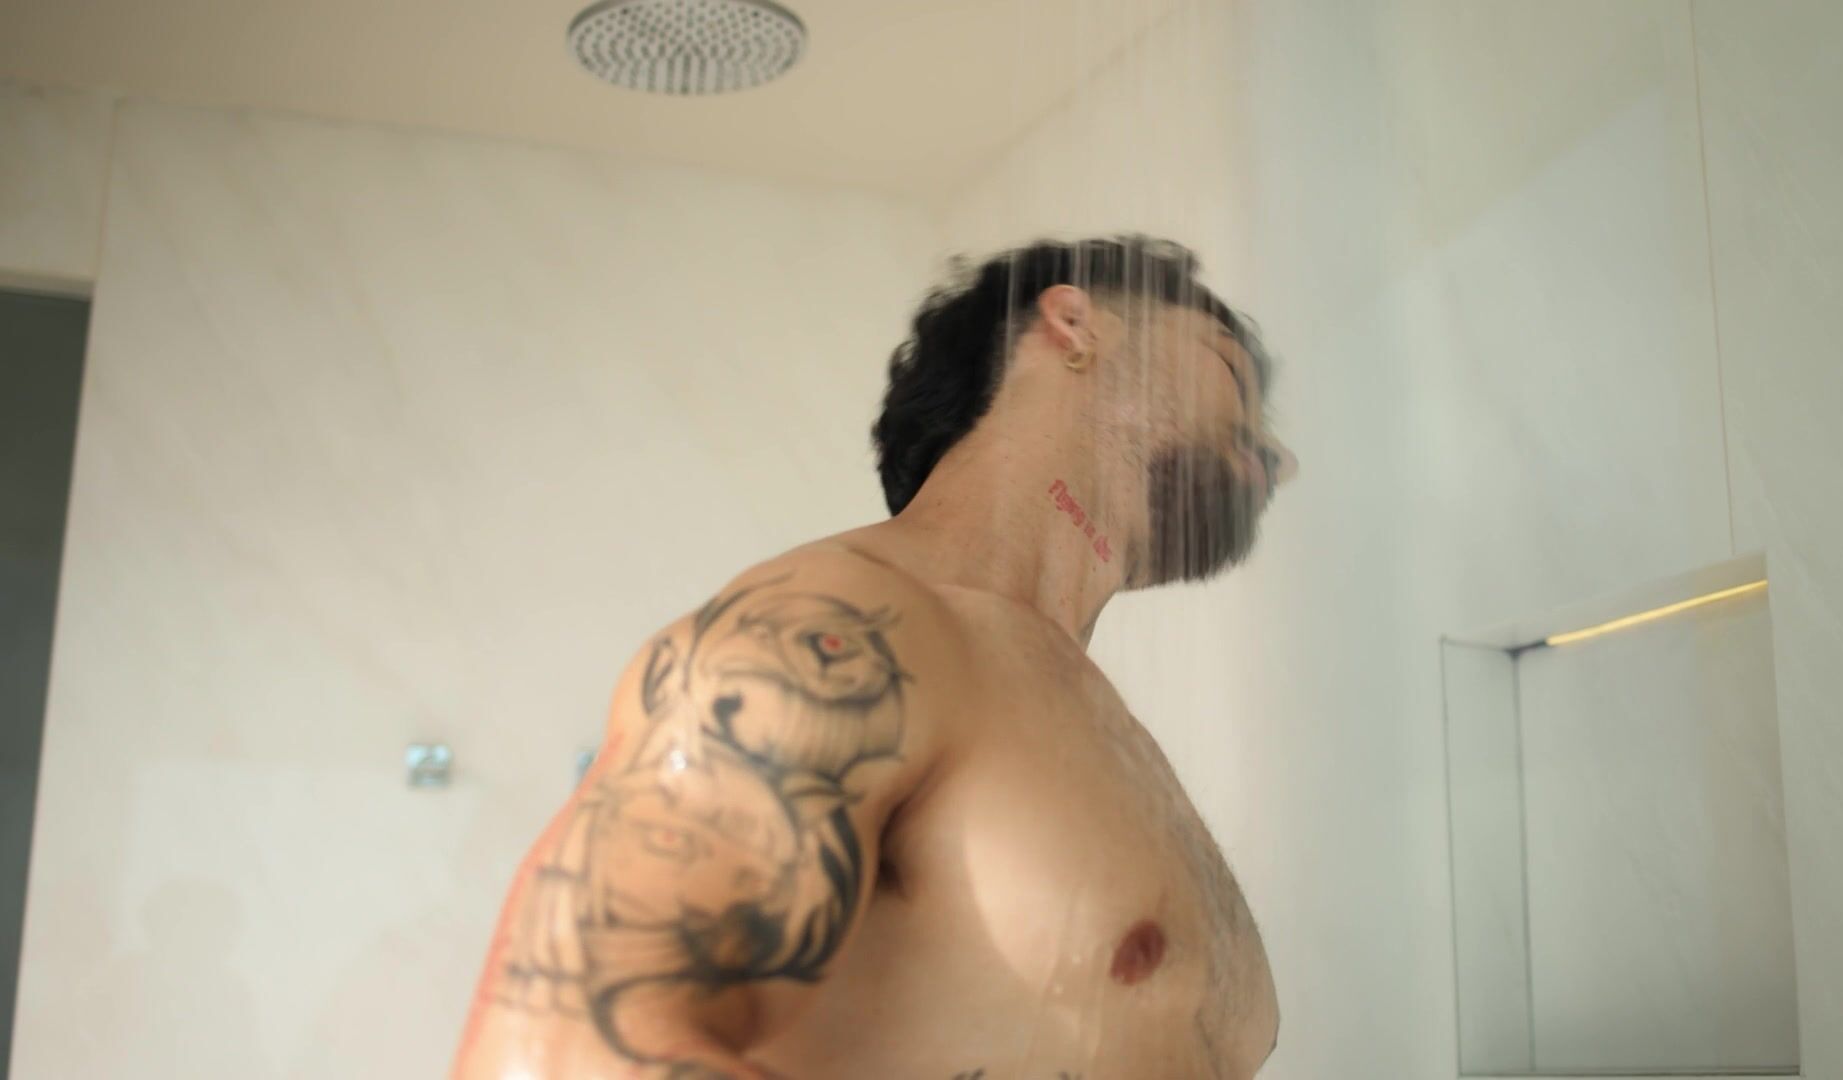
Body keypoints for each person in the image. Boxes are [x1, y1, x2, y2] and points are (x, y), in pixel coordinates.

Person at [453, 236, 1295, 1079]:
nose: (1278, 457)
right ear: (1073, 324)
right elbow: (563, 1052)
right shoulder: (836, 627)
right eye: (1229, 369)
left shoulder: (1096, 724)